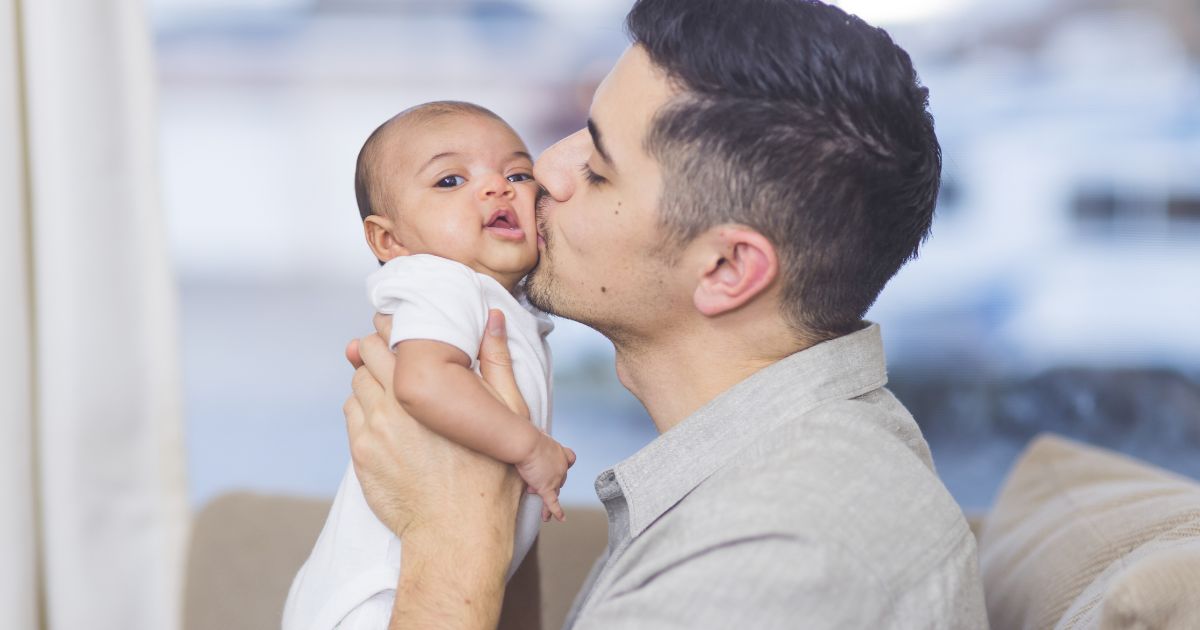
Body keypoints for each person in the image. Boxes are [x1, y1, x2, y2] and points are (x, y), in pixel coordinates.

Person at [342, 0, 990, 627]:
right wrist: (496, 510)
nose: (544, 171)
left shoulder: (766, 563)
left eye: (596, 168)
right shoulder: (787, 472)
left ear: (726, 269)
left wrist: (452, 545)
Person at [283, 101, 575, 630]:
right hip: (381, 595)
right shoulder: (438, 280)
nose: (496, 188)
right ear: (390, 241)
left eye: (517, 173)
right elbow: (423, 382)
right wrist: (530, 448)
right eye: (449, 181)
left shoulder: (493, 299)